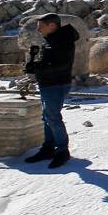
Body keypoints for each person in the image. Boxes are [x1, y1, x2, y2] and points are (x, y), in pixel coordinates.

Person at [24, 13, 79, 169]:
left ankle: (62, 151)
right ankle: (48, 148)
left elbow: (62, 65)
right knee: (47, 117)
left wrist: (38, 68)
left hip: (56, 83)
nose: (39, 30)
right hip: (48, 83)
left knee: (53, 118)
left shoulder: (63, 40)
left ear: (52, 25)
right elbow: (50, 61)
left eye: (41, 26)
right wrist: (36, 65)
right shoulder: (51, 39)